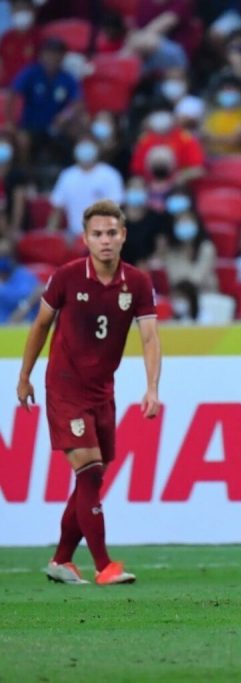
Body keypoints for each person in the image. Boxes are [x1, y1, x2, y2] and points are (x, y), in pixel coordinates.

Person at [17, 199, 161, 585]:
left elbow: (149, 337)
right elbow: (41, 326)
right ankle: (103, 566)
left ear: (123, 236)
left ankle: (62, 560)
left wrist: (152, 388)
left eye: (112, 233)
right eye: (97, 234)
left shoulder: (138, 282)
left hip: (103, 391)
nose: (105, 241)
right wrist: (25, 376)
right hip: (64, 386)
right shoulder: (66, 277)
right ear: (85, 238)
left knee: (91, 480)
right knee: (90, 469)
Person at [47, 137, 125, 236]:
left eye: (88, 145)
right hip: (74, 234)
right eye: (81, 145)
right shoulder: (67, 175)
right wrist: (50, 233)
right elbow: (57, 210)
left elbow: (116, 209)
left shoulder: (110, 175)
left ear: (96, 149)